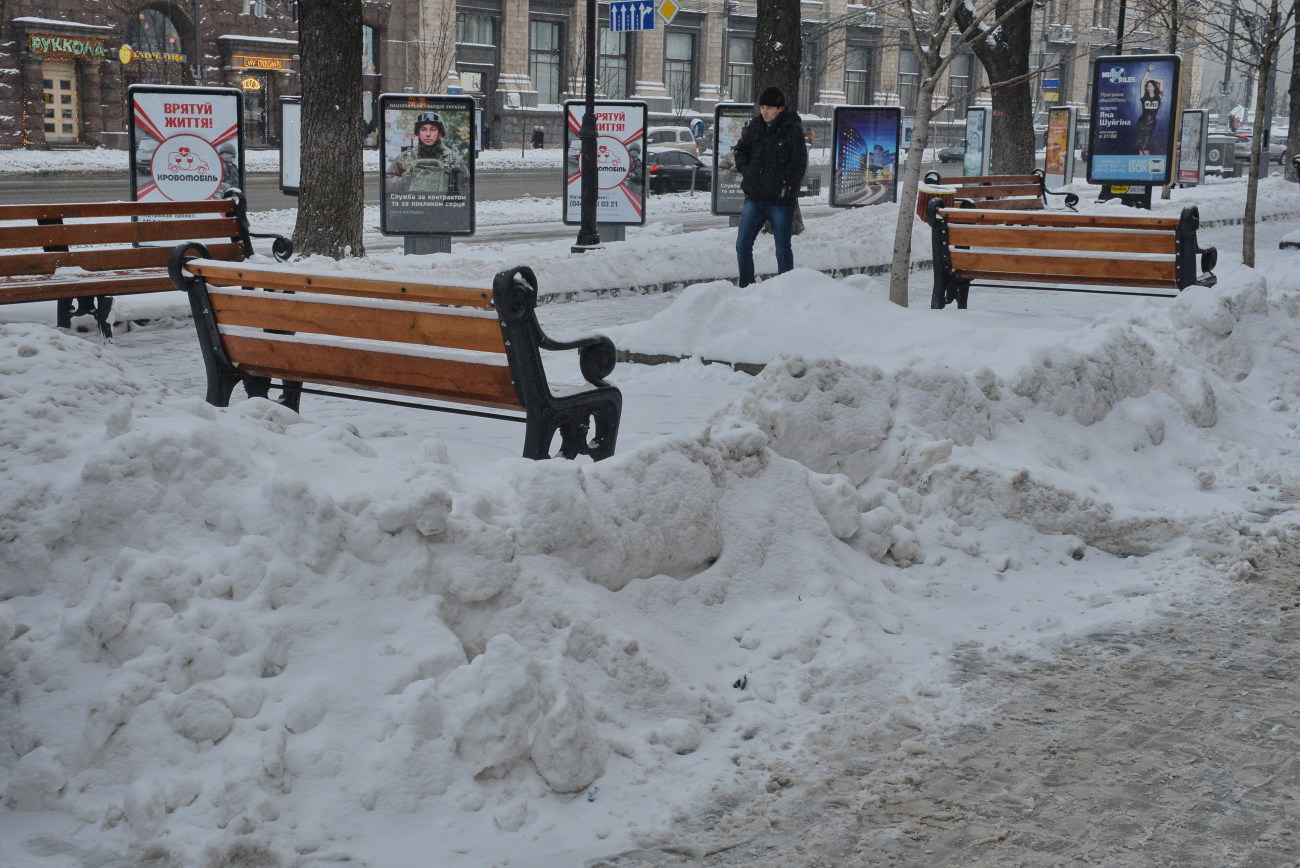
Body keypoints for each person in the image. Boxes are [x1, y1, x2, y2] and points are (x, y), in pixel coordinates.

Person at [733, 86, 807, 288]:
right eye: (762, 107)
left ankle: (785, 288)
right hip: (755, 198)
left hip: (781, 201)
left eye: (769, 108)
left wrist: (786, 187)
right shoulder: (755, 127)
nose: (764, 111)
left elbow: (798, 163)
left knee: (782, 248)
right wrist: (746, 171)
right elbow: (740, 149)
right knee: (742, 244)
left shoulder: (792, 129)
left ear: (780, 109)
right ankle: (746, 286)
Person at [387, 111, 470, 195]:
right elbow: (386, 184)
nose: (428, 134)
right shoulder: (404, 158)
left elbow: (467, 189)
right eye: (423, 129)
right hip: (412, 206)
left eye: (433, 130)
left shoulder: (453, 159)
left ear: (440, 133)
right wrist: (402, 181)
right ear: (418, 133)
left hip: (443, 207)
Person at [1135, 71, 1163, 156]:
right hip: (1141, 123)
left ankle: (1148, 165)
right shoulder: (1144, 96)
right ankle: (1141, 165)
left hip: (1151, 124)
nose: (1149, 87)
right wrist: (1148, 71)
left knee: (1145, 147)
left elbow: (1161, 81)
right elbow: (1143, 81)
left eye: (1151, 85)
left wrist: (1150, 79)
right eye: (1148, 86)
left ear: (1155, 87)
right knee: (1140, 146)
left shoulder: (1158, 96)